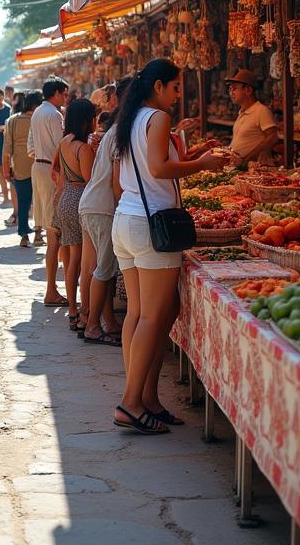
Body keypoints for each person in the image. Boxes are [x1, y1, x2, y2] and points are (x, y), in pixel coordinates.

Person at [112, 60, 229, 435]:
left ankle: (147, 399)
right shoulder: (157, 118)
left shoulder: (130, 119)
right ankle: (130, 402)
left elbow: (145, 170)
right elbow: (160, 169)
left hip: (127, 219)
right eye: (176, 88)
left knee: (141, 315)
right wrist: (203, 165)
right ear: (159, 86)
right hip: (151, 224)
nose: (179, 96)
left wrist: (194, 157)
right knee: (151, 317)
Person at [79, 77, 132, 345]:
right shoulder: (121, 131)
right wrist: (124, 208)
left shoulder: (114, 129)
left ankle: (106, 322)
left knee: (101, 268)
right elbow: (116, 182)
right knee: (105, 269)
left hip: (91, 205)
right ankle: (91, 326)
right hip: (102, 207)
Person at [54, 98, 96, 326]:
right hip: (80, 200)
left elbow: (60, 174)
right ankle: (84, 309)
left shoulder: (64, 143)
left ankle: (72, 309)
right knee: (82, 261)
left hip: (65, 198)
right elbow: (90, 181)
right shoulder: (84, 148)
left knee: (71, 259)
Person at [28, 77, 69, 305]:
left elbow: (31, 147)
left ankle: (54, 288)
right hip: (51, 171)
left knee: (53, 231)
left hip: (40, 167)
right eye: (64, 93)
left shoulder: (38, 112)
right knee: (55, 233)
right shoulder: (54, 114)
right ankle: (51, 289)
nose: (65, 98)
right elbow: (61, 147)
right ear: (56, 93)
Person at [2, 91, 40, 247]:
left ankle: (24, 235)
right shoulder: (40, 119)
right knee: (40, 202)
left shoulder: (12, 121)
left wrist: (6, 170)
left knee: (23, 203)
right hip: (41, 166)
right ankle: (38, 233)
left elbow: (7, 149)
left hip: (19, 168)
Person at [226, 68, 279, 167]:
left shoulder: (261, 111)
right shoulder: (242, 112)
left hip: (257, 169)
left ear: (248, 90)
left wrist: (247, 158)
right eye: (230, 89)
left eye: (234, 88)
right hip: (241, 167)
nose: (231, 93)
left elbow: (273, 137)